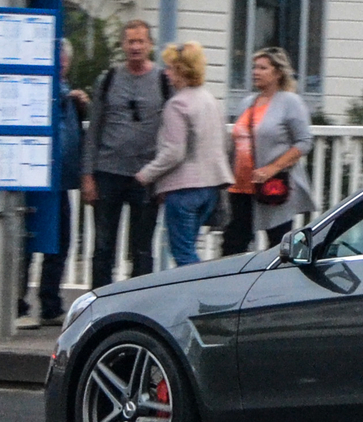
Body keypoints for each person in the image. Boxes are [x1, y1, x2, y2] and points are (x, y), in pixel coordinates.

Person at [80, 18, 167, 285]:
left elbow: (173, 133)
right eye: (130, 41)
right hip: (108, 172)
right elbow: (94, 130)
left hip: (148, 175)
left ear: (150, 45)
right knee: (103, 246)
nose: (135, 47)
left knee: (142, 249)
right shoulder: (107, 80)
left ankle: (139, 305)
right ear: (122, 45)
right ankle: (99, 305)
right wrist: (87, 176)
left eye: (141, 41)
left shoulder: (164, 81)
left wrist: (166, 178)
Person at [134, 39, 225, 267]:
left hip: (184, 189)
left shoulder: (177, 105)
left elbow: (174, 152)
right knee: (190, 246)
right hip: (210, 186)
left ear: (181, 70)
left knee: (184, 254)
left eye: (170, 68)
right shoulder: (210, 100)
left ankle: (203, 295)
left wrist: (146, 174)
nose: (166, 73)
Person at [19, 38, 89, 327]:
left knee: (60, 242)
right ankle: (19, 304)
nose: (60, 63)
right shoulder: (47, 90)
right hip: (38, 178)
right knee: (30, 242)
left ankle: (50, 303)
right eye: (56, 58)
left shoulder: (68, 94)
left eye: (63, 59)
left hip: (60, 181)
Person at [221, 46, 315, 257]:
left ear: (277, 72)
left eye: (263, 68)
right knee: (233, 243)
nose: (256, 72)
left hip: (272, 186)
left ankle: (288, 282)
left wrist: (273, 168)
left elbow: (304, 141)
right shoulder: (247, 102)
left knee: (280, 242)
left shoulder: (290, 102)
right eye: (255, 67)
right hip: (241, 186)